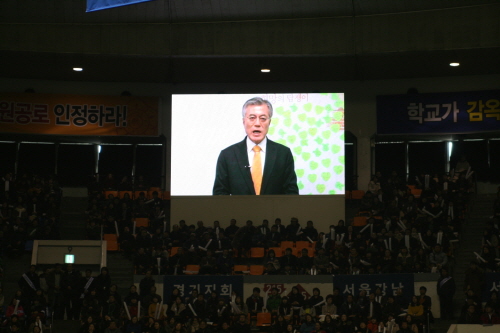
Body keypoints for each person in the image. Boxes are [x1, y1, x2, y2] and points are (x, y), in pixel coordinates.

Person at [213, 97, 298, 195]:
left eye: (263, 118)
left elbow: (291, 195)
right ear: (244, 121)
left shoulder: (283, 154)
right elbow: (219, 196)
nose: (257, 123)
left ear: (269, 122)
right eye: (252, 118)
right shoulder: (227, 155)